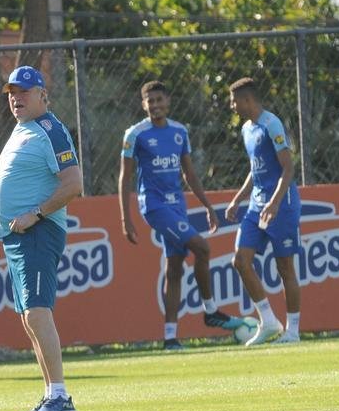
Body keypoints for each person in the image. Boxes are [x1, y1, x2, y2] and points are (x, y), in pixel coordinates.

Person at [0, 66, 83, 411]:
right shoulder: (23, 130)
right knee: (29, 318)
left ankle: (61, 397)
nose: (16, 98)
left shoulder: (50, 130)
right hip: (17, 236)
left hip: (37, 232)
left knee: (37, 311)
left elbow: (73, 183)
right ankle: (50, 394)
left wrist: (36, 214)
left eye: (24, 91)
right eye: (12, 92)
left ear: (43, 95)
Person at [119, 81, 239, 350]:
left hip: (177, 205)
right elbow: (125, 176)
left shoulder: (179, 131)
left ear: (168, 101)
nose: (156, 105)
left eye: (159, 99)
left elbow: (189, 174)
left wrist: (207, 206)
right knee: (202, 247)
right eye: (150, 101)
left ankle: (171, 338)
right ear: (143, 105)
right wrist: (125, 218)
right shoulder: (135, 134)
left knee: (174, 269)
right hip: (154, 206)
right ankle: (210, 310)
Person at [224, 78, 302, 346]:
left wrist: (276, 202)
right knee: (240, 260)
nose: (231, 106)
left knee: (285, 268)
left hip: (282, 205)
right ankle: (268, 321)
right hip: (257, 205)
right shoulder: (247, 129)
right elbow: (256, 169)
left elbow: (288, 168)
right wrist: (238, 198)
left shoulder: (272, 124)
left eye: (233, 101)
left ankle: (293, 331)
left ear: (246, 100)